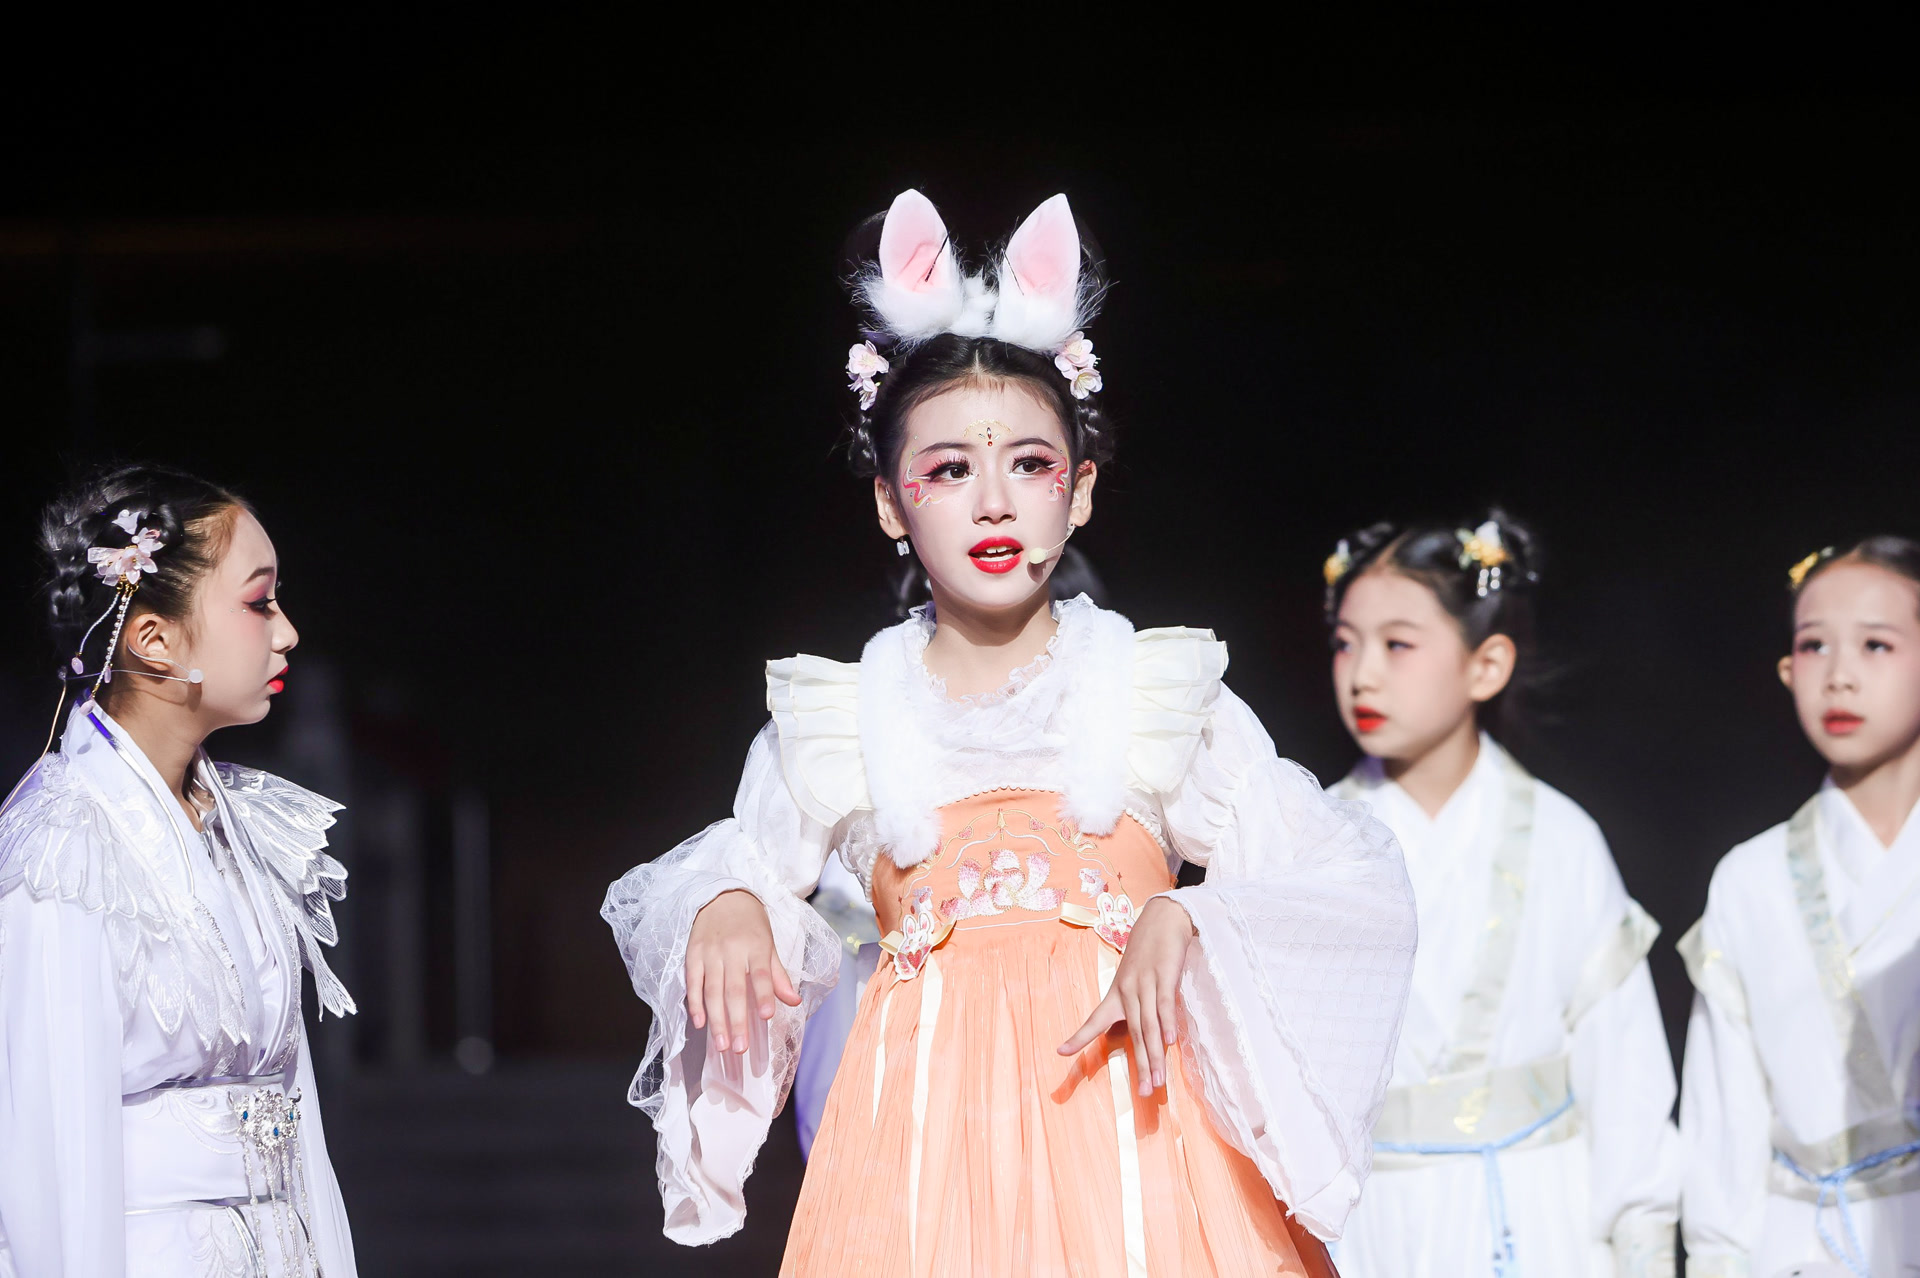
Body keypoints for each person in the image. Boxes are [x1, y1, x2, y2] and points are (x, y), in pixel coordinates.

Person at [602, 189, 1418, 1275]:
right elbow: (732, 868)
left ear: (1078, 492)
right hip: (922, 1160)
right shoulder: (840, 715)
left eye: (1029, 464)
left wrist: (1193, 915)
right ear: (890, 503)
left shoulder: (1153, 689)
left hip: (1139, 1142)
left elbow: (1343, 878)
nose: (994, 501)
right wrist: (728, 903)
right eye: (949, 469)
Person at [0, 465, 357, 1276]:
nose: (286, 633)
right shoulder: (63, 850)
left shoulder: (240, 825)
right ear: (154, 639)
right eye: (258, 603)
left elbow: (296, 1112)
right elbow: (47, 1167)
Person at [1322, 515, 1679, 1277]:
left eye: (1397, 644)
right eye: (1346, 644)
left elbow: (1625, 1072)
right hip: (1372, 1228)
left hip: (1542, 1216)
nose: (1362, 674)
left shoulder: (1562, 837)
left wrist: (1643, 1246)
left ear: (1487, 665)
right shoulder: (1305, 841)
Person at [1678, 539, 1920, 1278]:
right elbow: (1725, 1114)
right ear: (1787, 670)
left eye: (1876, 645)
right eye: (1814, 646)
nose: (1839, 675)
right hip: (1801, 1249)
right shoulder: (1750, 880)